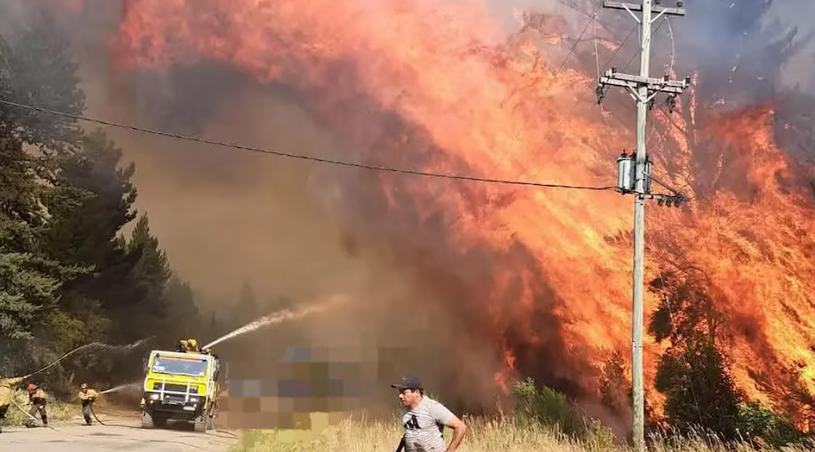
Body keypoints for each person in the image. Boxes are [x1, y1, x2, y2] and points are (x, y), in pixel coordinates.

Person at [391, 375, 467, 452]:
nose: (400, 396)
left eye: (404, 392)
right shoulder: (405, 410)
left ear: (416, 392)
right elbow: (410, 432)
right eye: (400, 392)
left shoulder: (432, 408)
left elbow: (460, 427)